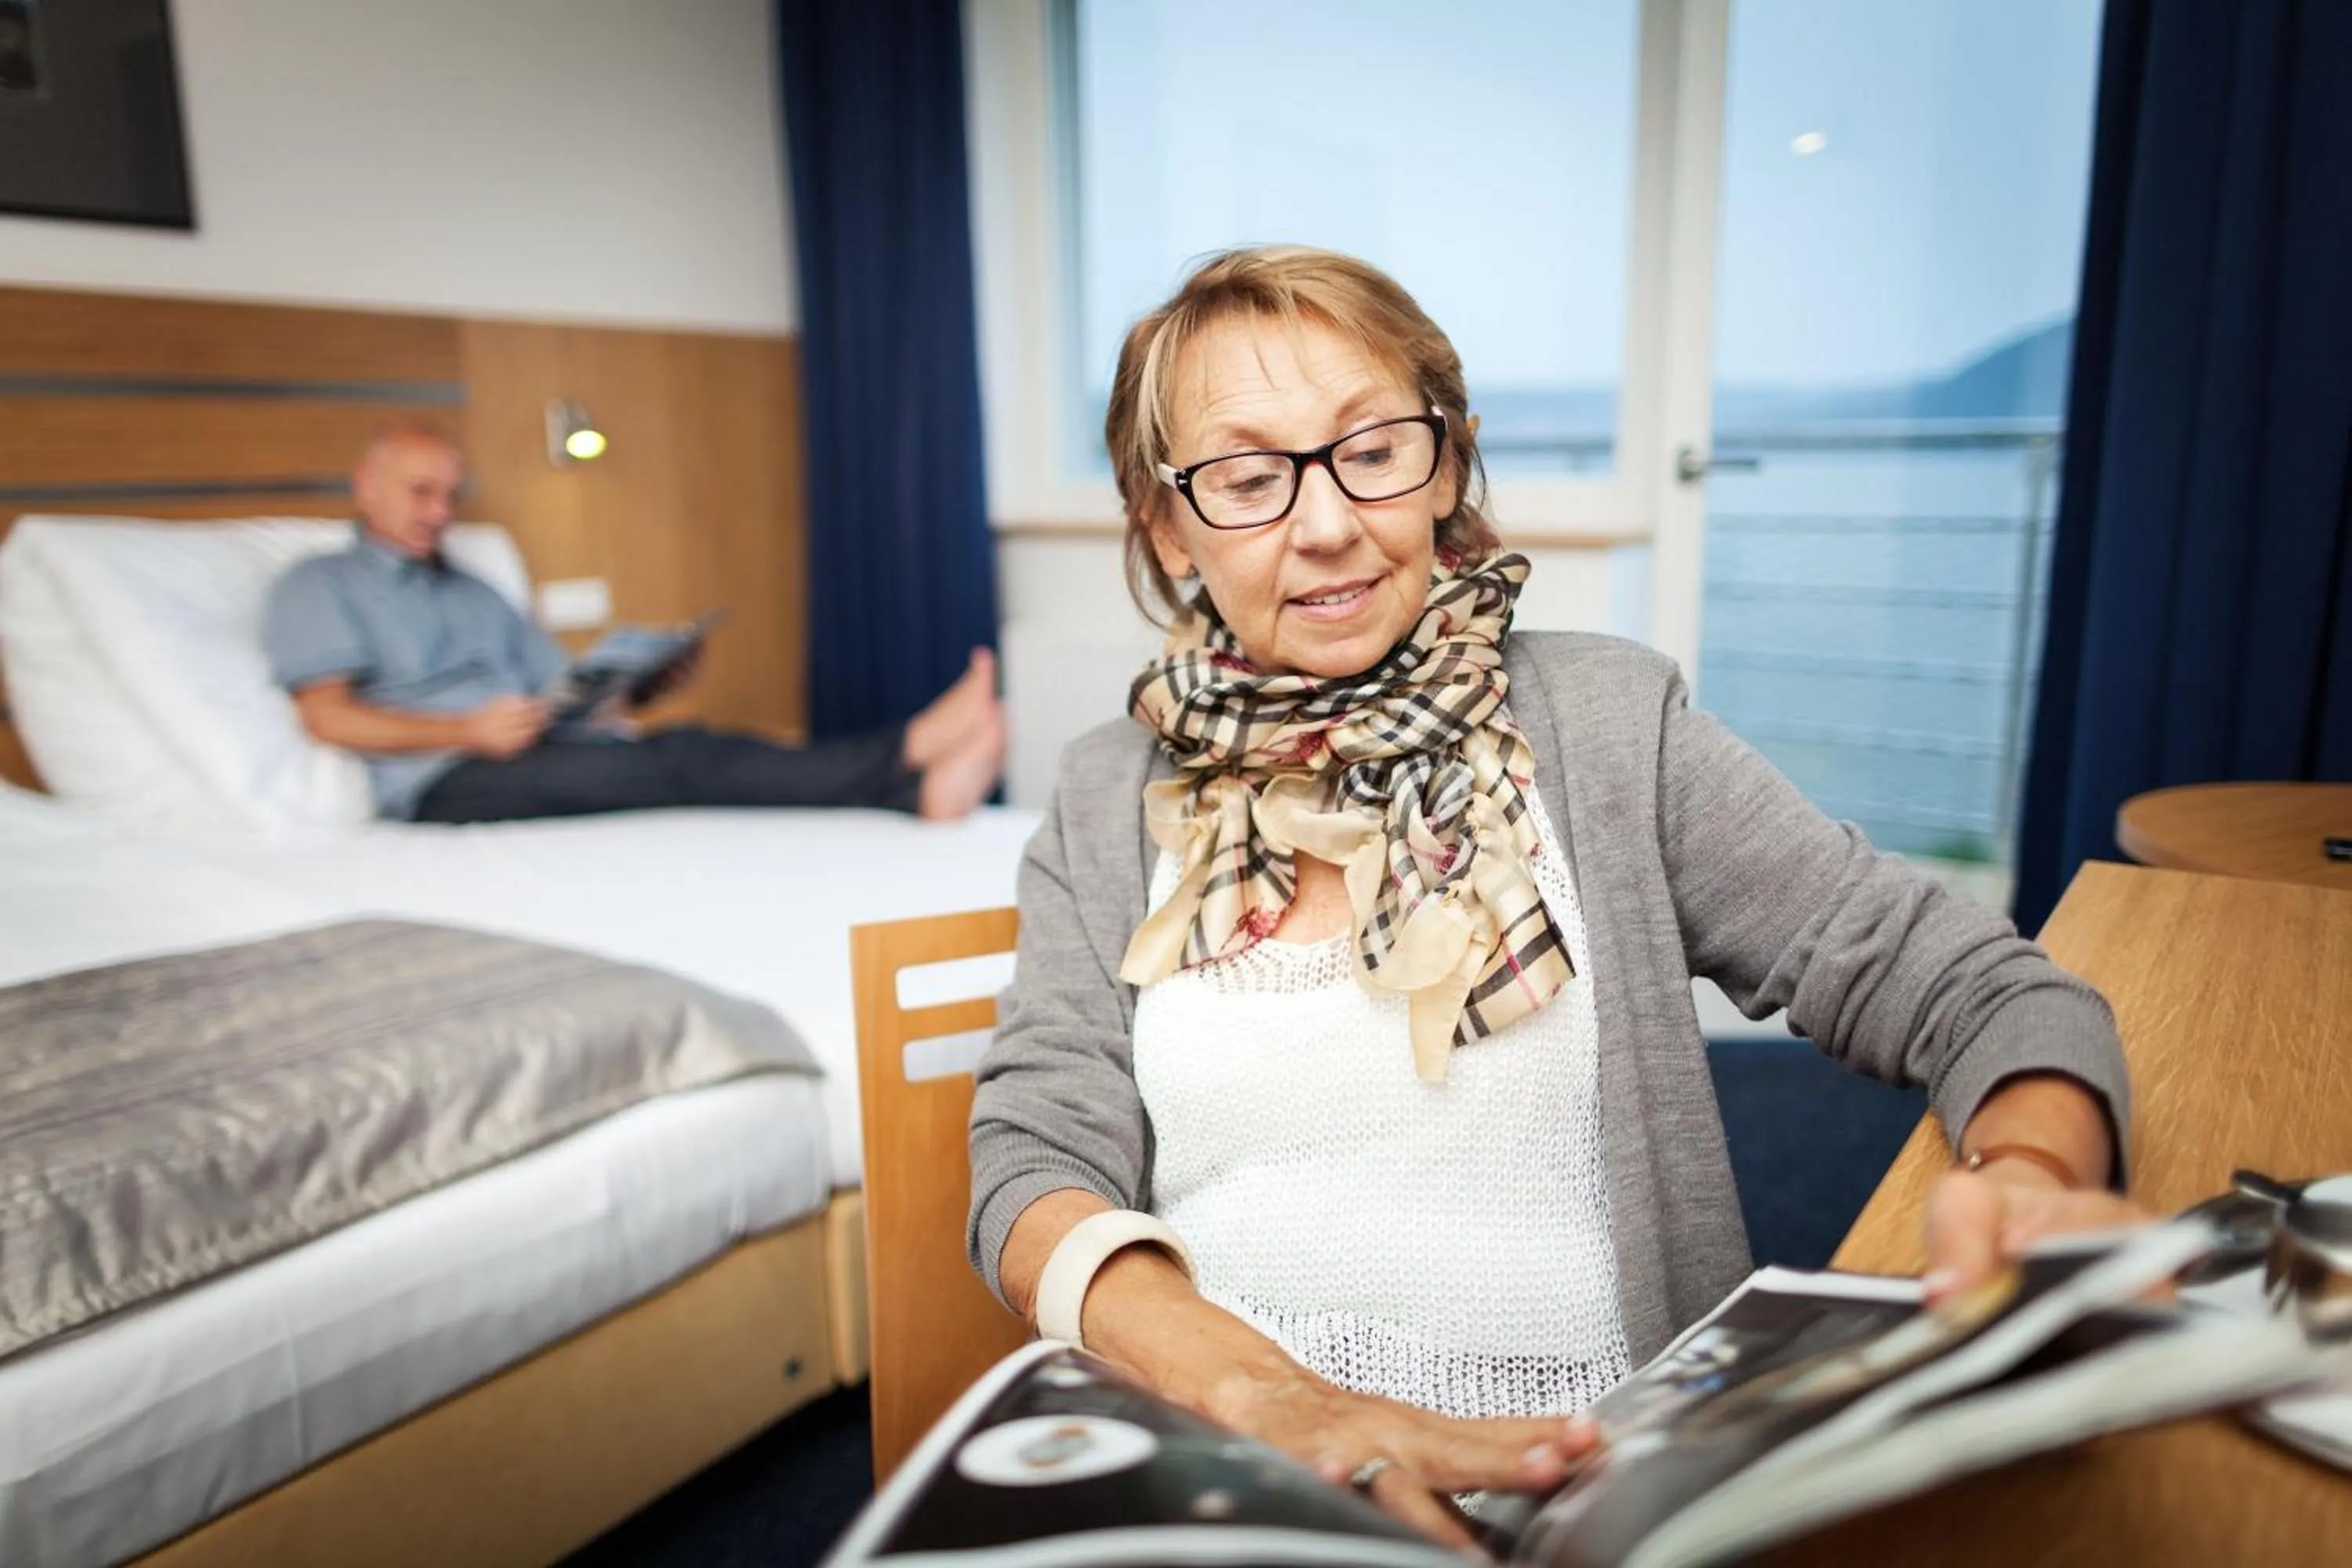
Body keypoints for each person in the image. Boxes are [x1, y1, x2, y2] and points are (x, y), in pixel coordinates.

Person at [965, 247, 2142, 1547]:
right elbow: (1035, 1156)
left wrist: (2031, 1170)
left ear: (1448, 461)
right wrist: (1263, 1398)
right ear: (1166, 522)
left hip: (1588, 1490)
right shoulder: (1103, 795)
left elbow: (1974, 987)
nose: (1327, 523)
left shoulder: (1611, 726)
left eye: (1373, 449)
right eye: (1248, 479)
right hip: (1233, 1471)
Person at [264, 423, 1004, 824]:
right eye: (420, 492)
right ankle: (907, 754)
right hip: (446, 781)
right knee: (682, 760)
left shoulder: (475, 590)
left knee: (681, 749)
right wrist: (467, 732)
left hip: (541, 749)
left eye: (450, 496)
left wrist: (644, 684)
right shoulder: (319, 584)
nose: (439, 512)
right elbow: (326, 716)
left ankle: (917, 797)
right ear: (367, 487)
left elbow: (564, 694)